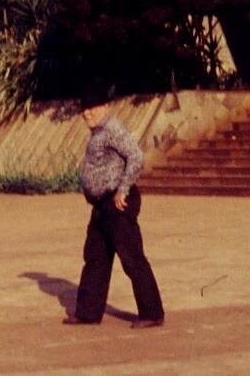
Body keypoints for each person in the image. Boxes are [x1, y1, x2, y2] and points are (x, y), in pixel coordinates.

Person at [66, 92, 165, 329]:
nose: (86, 112)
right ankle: (88, 312)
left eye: (92, 106)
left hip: (118, 204)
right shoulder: (98, 133)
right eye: (84, 108)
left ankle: (152, 313)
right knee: (95, 258)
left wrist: (123, 189)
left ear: (107, 106)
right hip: (101, 206)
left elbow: (136, 157)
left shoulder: (112, 129)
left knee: (132, 258)